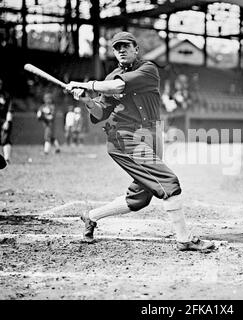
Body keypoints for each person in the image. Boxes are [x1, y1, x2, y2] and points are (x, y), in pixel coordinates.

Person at [66, 31, 214, 251]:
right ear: (114, 53)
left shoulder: (148, 69)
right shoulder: (109, 79)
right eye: (117, 48)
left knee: (140, 196)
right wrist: (87, 100)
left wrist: (87, 85)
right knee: (168, 181)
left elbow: (119, 86)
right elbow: (99, 114)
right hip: (123, 138)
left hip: (152, 134)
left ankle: (91, 216)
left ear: (136, 49)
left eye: (126, 46)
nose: (122, 50)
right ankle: (184, 239)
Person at [0, 78, 13, 164]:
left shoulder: (6, 96)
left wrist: (7, 121)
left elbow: (10, 110)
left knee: (5, 140)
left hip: (4, 120)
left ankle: (7, 158)